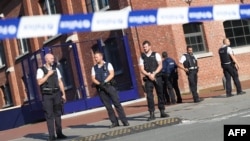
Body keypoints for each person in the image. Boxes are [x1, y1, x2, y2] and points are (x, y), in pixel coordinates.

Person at [91, 51, 129, 128]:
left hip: (109, 86)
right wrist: (99, 84)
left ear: (101, 57)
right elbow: (93, 78)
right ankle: (114, 122)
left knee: (117, 103)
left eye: (96, 57)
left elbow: (112, 74)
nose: (95, 59)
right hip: (101, 89)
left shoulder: (108, 64)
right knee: (108, 106)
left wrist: (104, 81)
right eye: (95, 57)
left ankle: (124, 121)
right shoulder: (94, 68)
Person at [36, 53, 67, 141]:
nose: (53, 60)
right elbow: (39, 82)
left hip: (57, 93)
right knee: (49, 115)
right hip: (47, 95)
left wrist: (63, 93)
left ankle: (59, 133)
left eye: (53, 58)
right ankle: (51, 136)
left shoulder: (56, 69)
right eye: (51, 58)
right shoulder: (40, 70)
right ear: (46, 59)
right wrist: (48, 75)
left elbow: (60, 81)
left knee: (58, 113)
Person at [139, 40, 168, 121]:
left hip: (157, 76)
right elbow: (141, 69)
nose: (145, 48)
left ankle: (162, 111)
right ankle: (152, 113)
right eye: (144, 47)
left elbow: (160, 65)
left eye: (146, 47)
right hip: (148, 78)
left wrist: (154, 73)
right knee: (149, 96)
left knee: (160, 93)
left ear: (150, 46)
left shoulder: (156, 55)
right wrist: (149, 75)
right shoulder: (142, 57)